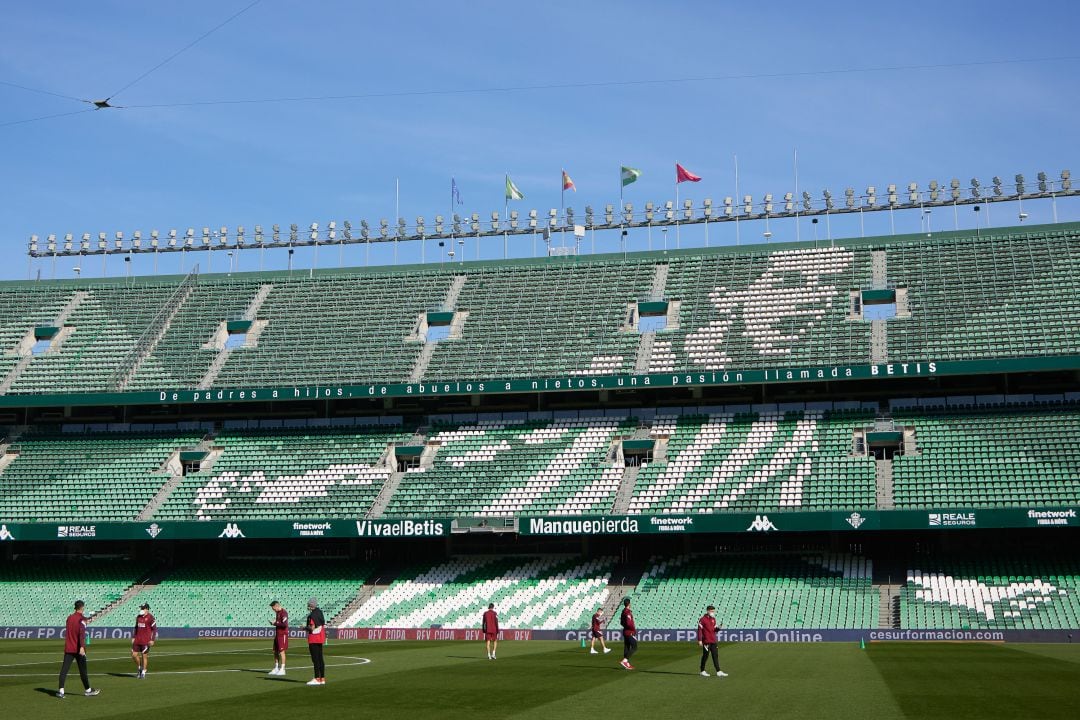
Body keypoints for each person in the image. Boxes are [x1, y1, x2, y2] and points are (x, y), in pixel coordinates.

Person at [57, 600, 100, 699]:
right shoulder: (82, 619)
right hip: (78, 649)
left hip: (69, 648)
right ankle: (88, 690)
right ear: (82, 608)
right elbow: (81, 633)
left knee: (64, 670)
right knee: (83, 671)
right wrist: (81, 647)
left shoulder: (69, 618)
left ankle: (61, 691)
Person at [697, 605, 728, 677]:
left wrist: (719, 628)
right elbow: (699, 630)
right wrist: (699, 640)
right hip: (706, 641)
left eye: (713, 611)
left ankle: (718, 671)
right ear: (708, 611)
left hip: (713, 641)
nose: (713, 613)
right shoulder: (702, 619)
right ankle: (702, 670)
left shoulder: (713, 619)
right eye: (712, 611)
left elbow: (714, 630)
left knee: (715, 655)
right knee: (705, 656)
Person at [131, 603, 157, 679]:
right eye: (141, 608)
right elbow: (136, 627)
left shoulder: (150, 618)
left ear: (147, 609)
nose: (141, 610)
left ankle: (143, 672)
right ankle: (139, 668)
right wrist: (133, 637)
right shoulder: (138, 617)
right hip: (137, 639)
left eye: (142, 608)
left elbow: (154, 629)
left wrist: (152, 640)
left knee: (144, 656)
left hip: (146, 640)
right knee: (134, 655)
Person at [305, 597, 326, 686]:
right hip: (320, 637)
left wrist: (304, 628)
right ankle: (322, 678)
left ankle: (317, 678)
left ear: (310, 605)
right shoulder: (320, 612)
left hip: (314, 638)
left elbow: (312, 627)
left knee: (315, 659)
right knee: (320, 658)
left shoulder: (312, 615)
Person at [269, 600, 289, 676]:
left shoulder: (284, 613)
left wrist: (275, 623)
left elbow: (284, 625)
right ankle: (276, 667)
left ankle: (283, 669)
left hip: (282, 634)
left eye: (273, 607)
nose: (272, 609)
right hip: (277, 634)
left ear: (276, 606)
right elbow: (278, 623)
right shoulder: (277, 613)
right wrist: (274, 623)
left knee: (282, 651)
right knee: (275, 651)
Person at [619, 598, 637, 670]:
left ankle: (626, 663)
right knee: (634, 647)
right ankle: (625, 661)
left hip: (625, 631)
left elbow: (621, 622)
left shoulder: (623, 611)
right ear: (629, 604)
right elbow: (629, 623)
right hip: (630, 632)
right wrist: (633, 629)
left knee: (627, 647)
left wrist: (625, 627)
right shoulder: (628, 612)